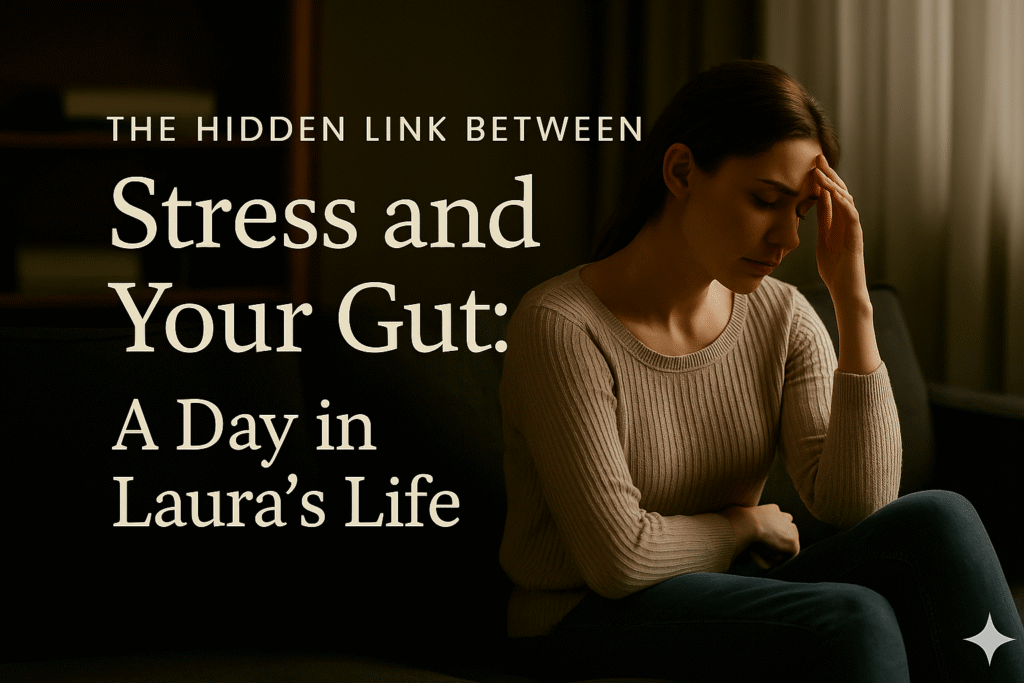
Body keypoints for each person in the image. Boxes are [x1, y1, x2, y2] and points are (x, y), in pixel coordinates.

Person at [498, 60, 1024, 682]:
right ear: (681, 172)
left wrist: (852, 303)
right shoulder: (561, 326)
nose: (788, 238)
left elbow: (861, 504)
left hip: (727, 592)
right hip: (582, 621)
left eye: (800, 211)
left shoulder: (782, 316)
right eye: (765, 200)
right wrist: (741, 525)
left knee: (942, 518)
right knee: (852, 617)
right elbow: (619, 558)